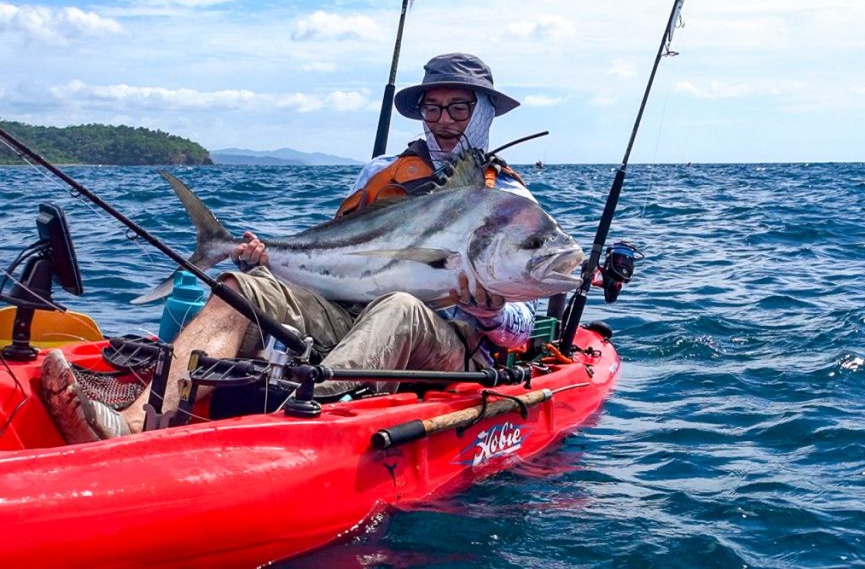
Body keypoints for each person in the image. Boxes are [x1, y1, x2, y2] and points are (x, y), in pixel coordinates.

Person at [40, 53, 538, 443]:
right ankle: (130, 422)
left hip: (450, 345)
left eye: (459, 107)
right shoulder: (381, 174)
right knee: (242, 286)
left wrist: (490, 314)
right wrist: (270, 262)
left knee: (400, 307)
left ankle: (296, 425)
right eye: (433, 107)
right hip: (350, 317)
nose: (443, 120)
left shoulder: (510, 202)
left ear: (484, 112)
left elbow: (523, 328)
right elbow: (343, 254)